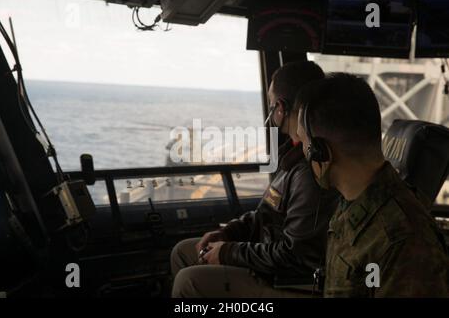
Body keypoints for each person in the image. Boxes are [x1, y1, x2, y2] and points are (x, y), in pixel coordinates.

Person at [170, 61, 339, 297]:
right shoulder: (290, 154)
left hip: (291, 281)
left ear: (280, 108)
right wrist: (230, 233)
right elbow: (266, 215)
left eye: (271, 106)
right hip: (270, 260)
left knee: (189, 282)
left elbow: (296, 257)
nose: (271, 113)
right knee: (183, 252)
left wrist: (228, 253)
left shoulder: (310, 172)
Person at [295, 72, 449, 297]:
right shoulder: (353, 202)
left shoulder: (402, 240)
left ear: (322, 153)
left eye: (304, 143)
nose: (302, 152)